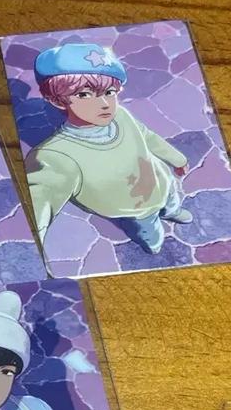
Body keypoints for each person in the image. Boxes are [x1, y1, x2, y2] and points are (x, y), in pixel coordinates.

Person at [24, 43, 193, 254]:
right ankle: (153, 243)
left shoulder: (120, 115)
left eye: (110, 92)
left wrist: (177, 159)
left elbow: (147, 136)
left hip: (161, 180)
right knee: (151, 232)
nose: (105, 103)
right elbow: (39, 204)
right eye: (84, 94)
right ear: (58, 100)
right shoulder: (54, 156)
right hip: (135, 208)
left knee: (171, 198)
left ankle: (172, 212)